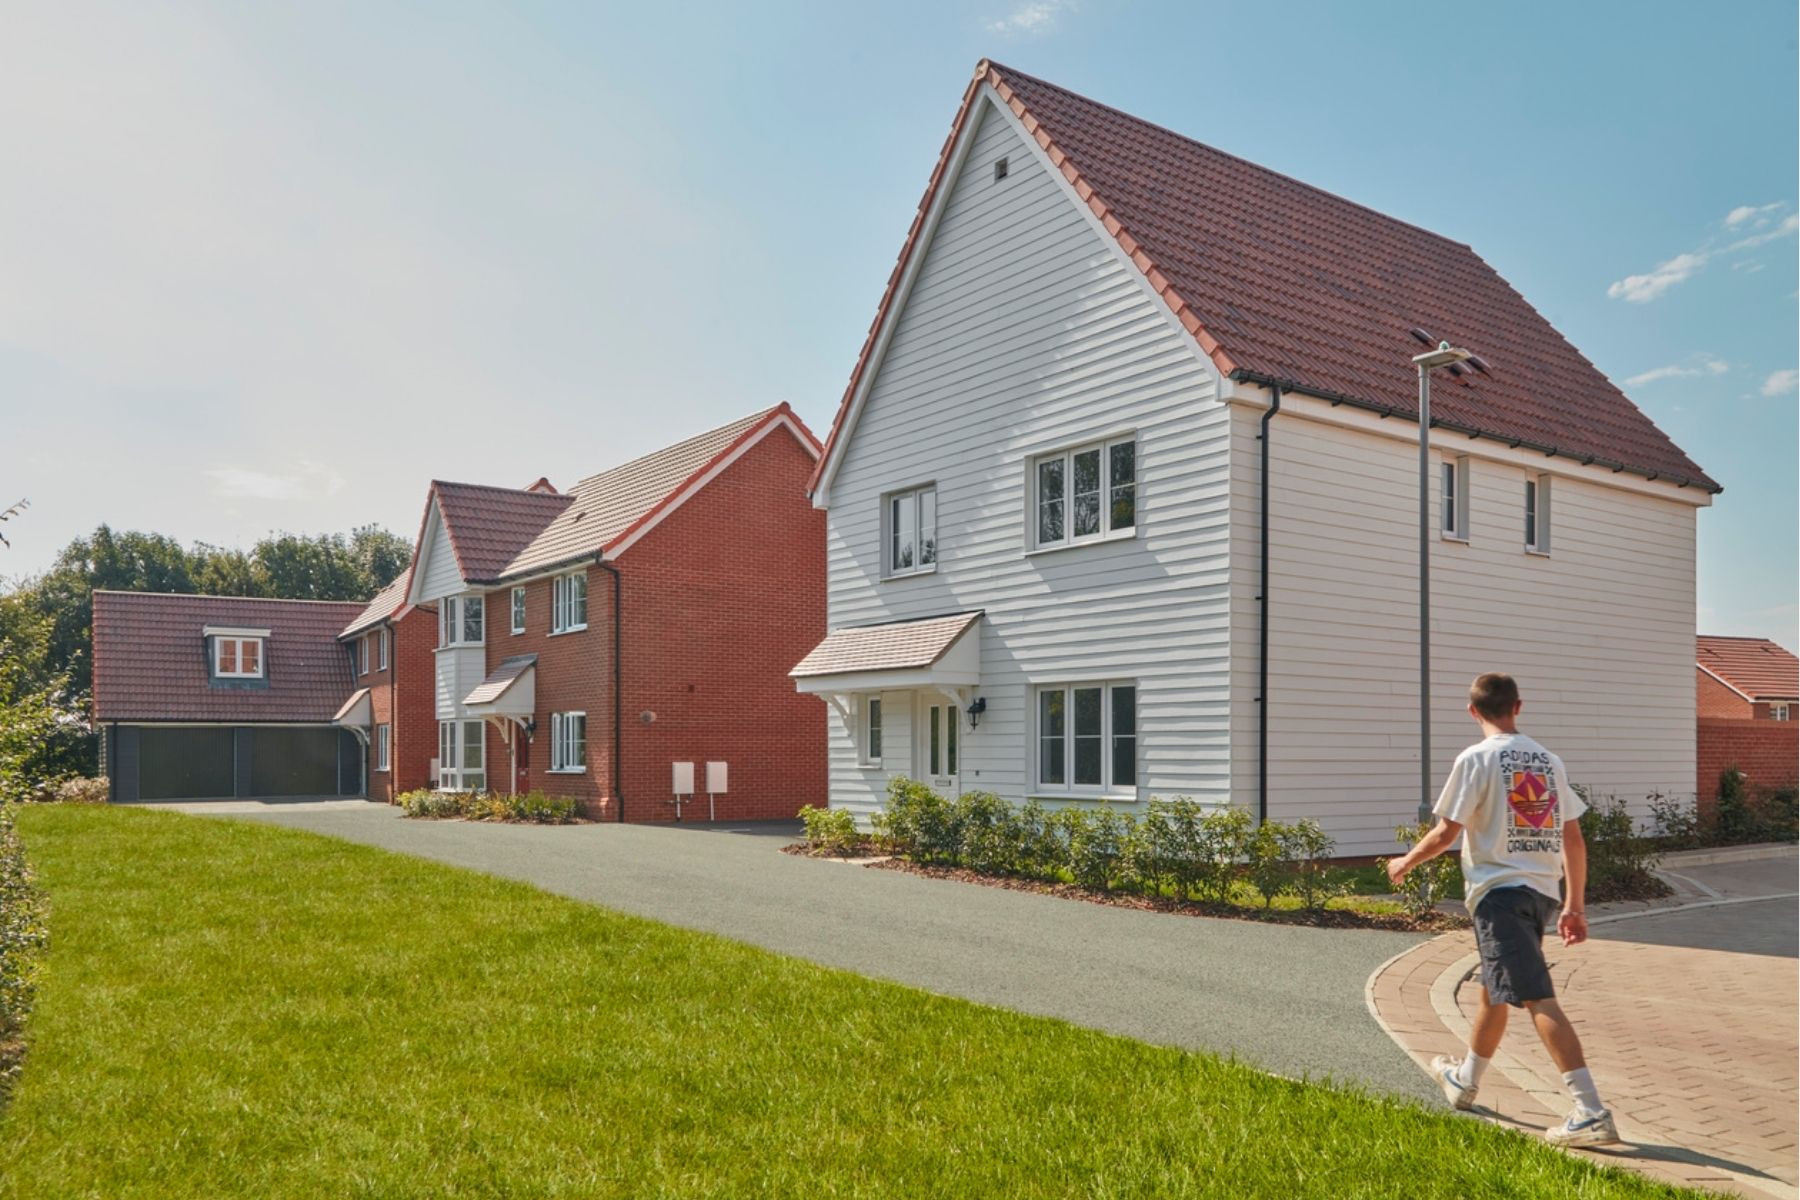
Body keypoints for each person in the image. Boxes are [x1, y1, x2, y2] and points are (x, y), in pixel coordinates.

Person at [1386, 672, 1619, 1147]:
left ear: (1472, 711)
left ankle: (1590, 1111)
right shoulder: (1548, 760)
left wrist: (1405, 862)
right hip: (1541, 892)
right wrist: (1574, 906)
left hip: (1500, 894)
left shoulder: (1475, 758)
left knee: (1536, 996)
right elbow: (1573, 839)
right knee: (1494, 990)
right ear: (1518, 706)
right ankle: (1465, 1080)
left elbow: (1447, 833)